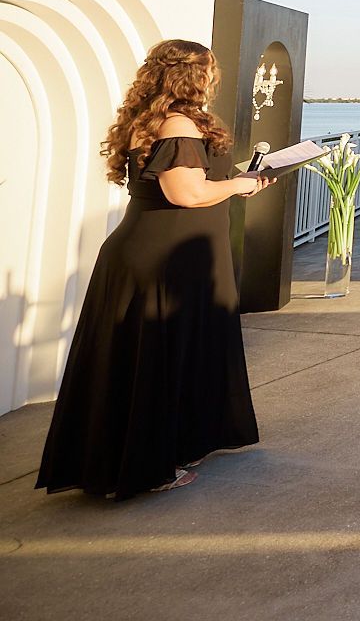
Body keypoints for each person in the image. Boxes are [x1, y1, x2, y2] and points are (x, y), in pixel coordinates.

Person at [37, 39, 267, 498]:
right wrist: (238, 185)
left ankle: (162, 448)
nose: (213, 78)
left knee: (149, 358)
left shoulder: (154, 119)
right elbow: (187, 194)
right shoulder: (177, 123)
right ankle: (145, 466)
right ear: (191, 75)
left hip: (155, 251)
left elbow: (192, 184)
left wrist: (230, 182)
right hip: (164, 260)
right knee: (159, 358)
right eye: (208, 70)